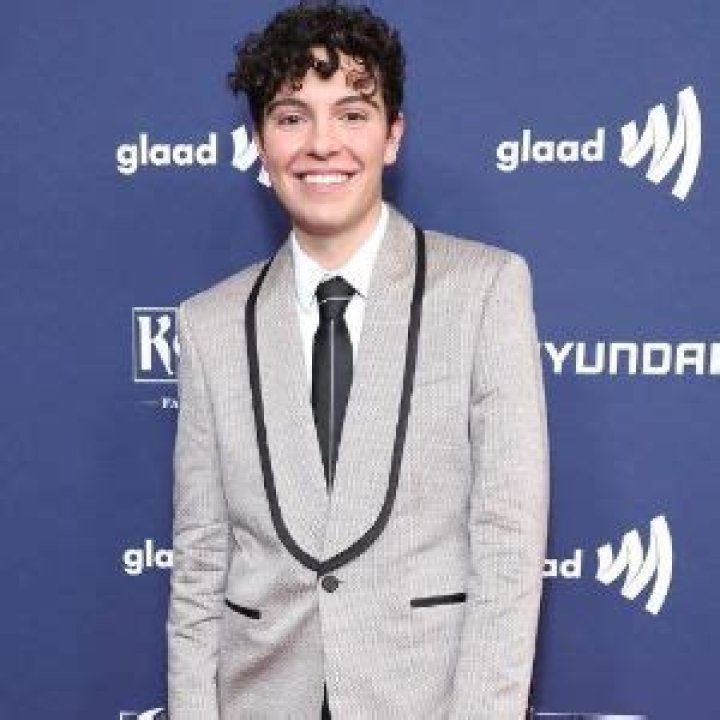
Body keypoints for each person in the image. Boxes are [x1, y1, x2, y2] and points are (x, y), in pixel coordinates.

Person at [166, 2, 549, 718]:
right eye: (291, 117)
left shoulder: (484, 290)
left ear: (391, 134)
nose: (322, 144)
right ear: (259, 144)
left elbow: (509, 546)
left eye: (351, 114)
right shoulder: (209, 323)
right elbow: (200, 559)